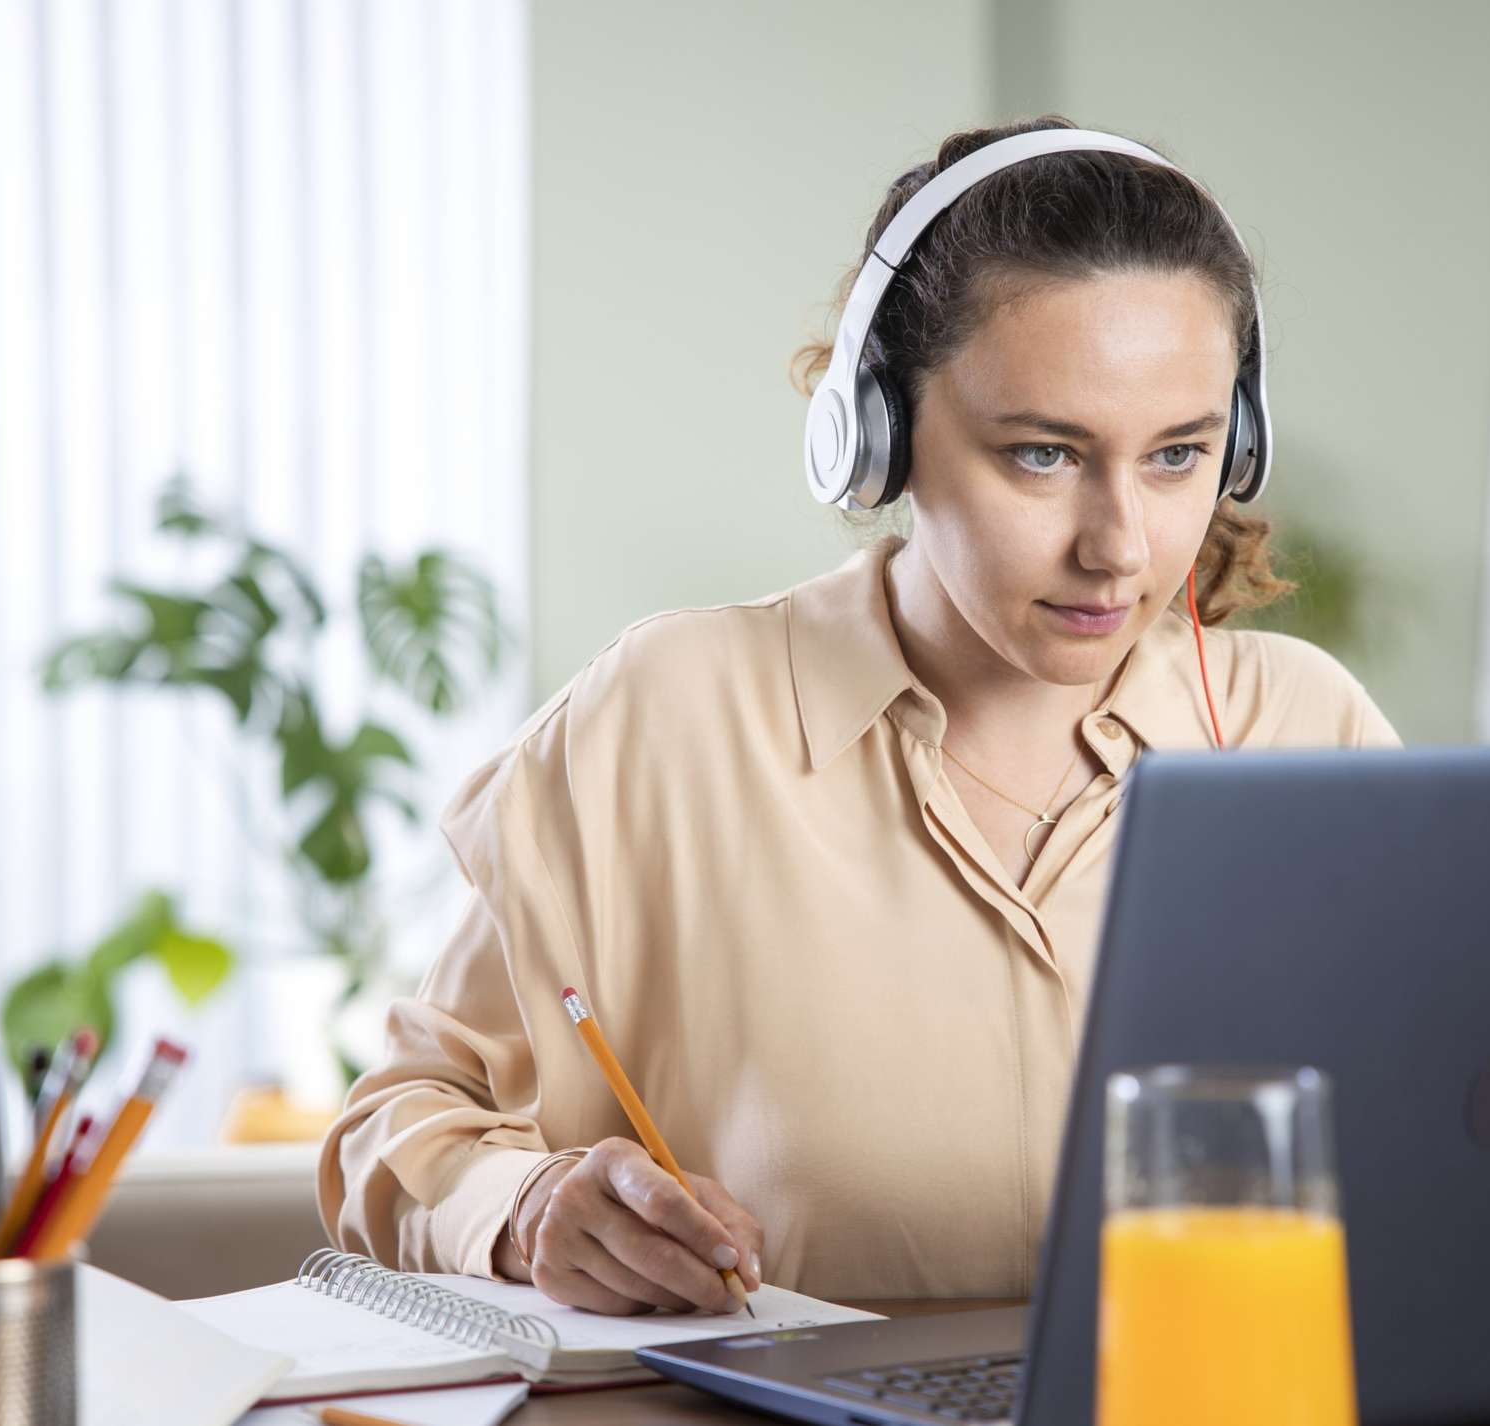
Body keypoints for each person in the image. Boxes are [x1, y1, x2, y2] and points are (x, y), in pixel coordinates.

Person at [318, 116, 1400, 1317]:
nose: (1119, 546)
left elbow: (1455, 1135)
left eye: (1177, 456)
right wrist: (525, 1212)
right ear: (876, 439)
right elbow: (394, 1131)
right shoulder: (671, 718)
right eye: (1043, 456)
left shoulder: (1308, 734)